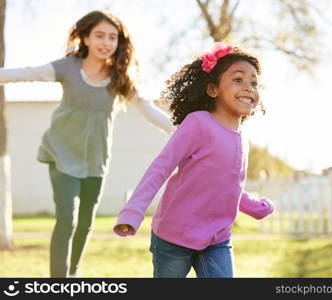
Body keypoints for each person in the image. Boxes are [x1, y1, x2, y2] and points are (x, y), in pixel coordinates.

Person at [0, 10, 175, 278]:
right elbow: (26, 73)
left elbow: (146, 109)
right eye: (99, 36)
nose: (106, 43)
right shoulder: (68, 67)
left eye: (112, 37)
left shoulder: (119, 77)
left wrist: (180, 132)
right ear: (85, 37)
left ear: (119, 42)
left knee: (85, 223)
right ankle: (58, 281)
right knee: (66, 219)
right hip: (61, 153)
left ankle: (73, 275)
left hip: (96, 158)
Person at [114, 42, 275, 278]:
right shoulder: (198, 123)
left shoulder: (242, 139)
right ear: (212, 89)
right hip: (174, 235)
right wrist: (133, 212)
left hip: (217, 238)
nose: (249, 87)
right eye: (238, 80)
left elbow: (229, 186)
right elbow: (161, 168)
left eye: (254, 82)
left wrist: (256, 208)